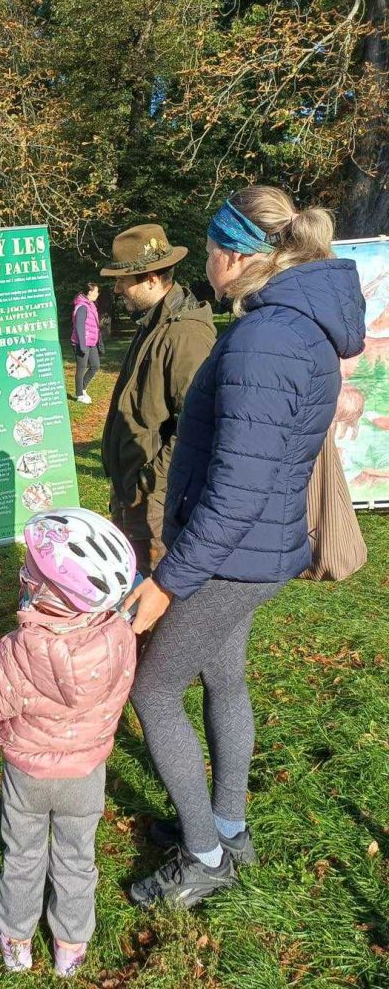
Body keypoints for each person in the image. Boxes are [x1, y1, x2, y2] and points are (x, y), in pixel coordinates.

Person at [123, 186, 366, 908]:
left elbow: (237, 490)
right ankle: (228, 826)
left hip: (233, 556)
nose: (205, 264)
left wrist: (169, 581)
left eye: (208, 250)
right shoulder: (290, 324)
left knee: (154, 690)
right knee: (224, 679)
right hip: (257, 548)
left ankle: (204, 857)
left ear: (234, 255)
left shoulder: (267, 338)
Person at [0, 509, 137, 977]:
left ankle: (16, 940)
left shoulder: (19, 651)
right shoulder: (121, 636)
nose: (22, 574)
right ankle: (71, 946)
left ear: (48, 592)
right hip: (86, 772)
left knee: (23, 855)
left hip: (28, 774)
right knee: (77, 858)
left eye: (29, 571)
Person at [100, 224, 216, 578]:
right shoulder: (152, 323)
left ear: (151, 279)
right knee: (127, 581)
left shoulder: (185, 334)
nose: (117, 289)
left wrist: (151, 481)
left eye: (123, 280)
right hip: (133, 490)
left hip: (154, 501)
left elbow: (197, 426)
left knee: (154, 589)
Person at [71, 282, 104, 404]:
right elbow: (79, 326)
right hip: (81, 343)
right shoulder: (82, 306)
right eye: (96, 291)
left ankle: (83, 388)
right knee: (81, 368)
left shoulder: (91, 305)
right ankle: (79, 395)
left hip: (91, 342)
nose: (98, 293)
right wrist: (82, 345)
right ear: (90, 292)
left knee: (95, 365)